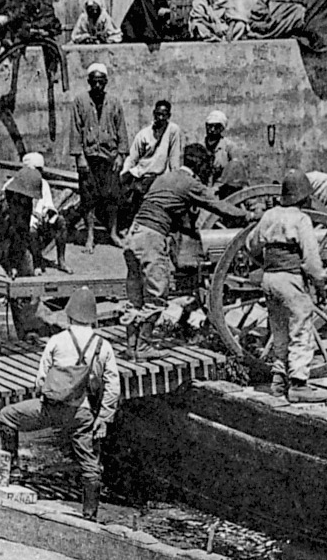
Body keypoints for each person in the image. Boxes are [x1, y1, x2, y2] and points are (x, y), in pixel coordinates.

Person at [0, 287, 119, 519]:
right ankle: (90, 514)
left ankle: (13, 471)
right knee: (90, 464)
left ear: (70, 314)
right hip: (81, 413)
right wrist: (103, 418)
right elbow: (113, 387)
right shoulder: (103, 346)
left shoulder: (57, 340)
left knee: (7, 416)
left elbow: (41, 379)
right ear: (93, 317)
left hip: (50, 409)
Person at [122, 145, 243, 348]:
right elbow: (219, 207)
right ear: (200, 165)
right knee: (157, 294)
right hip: (151, 238)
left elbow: (171, 215)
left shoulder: (165, 177)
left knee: (136, 297)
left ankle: (132, 347)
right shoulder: (190, 183)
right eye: (207, 166)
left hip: (133, 235)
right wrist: (248, 216)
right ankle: (142, 347)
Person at [241, 169, 327, 403]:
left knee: (279, 329)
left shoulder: (270, 215)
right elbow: (311, 258)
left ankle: (279, 380)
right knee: (301, 328)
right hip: (291, 279)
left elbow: (251, 244)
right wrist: (319, 282)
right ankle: (300, 385)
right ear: (305, 197)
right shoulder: (301, 219)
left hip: (270, 279)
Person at [0, 164, 45, 339]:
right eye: (22, 199)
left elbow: (22, 236)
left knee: (24, 291)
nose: (25, 203)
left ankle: (27, 332)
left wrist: (14, 263)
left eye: (28, 200)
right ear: (14, 193)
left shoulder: (25, 206)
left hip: (10, 254)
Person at [69, 61, 128, 248]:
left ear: (106, 82)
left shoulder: (114, 102)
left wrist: (121, 155)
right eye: (93, 82)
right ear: (88, 81)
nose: (97, 86)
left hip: (109, 157)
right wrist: (80, 157)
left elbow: (122, 130)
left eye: (100, 82)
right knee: (88, 198)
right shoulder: (80, 101)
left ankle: (112, 233)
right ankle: (90, 236)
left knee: (112, 197)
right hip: (89, 157)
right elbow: (75, 130)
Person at [121, 98, 183, 219]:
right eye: (157, 114)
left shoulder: (173, 130)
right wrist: (124, 173)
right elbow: (132, 157)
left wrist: (175, 178)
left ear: (168, 116)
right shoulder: (144, 134)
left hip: (160, 176)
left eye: (163, 115)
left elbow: (174, 157)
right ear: (154, 114)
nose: (160, 118)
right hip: (142, 173)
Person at [201, 110, 240, 196]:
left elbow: (234, 171)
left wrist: (218, 187)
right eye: (210, 126)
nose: (212, 130)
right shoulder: (200, 146)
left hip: (223, 190)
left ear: (222, 128)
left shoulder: (229, 147)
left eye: (216, 127)